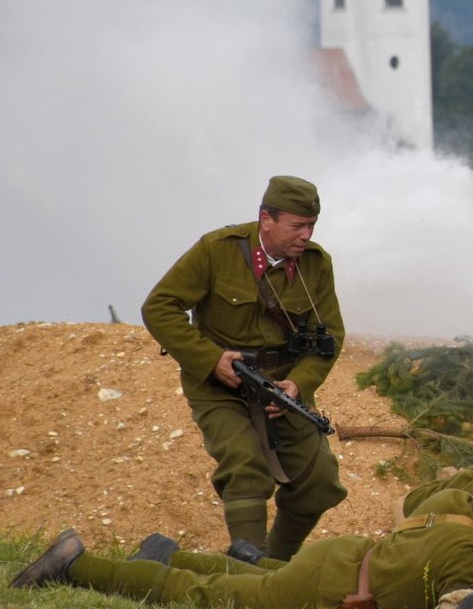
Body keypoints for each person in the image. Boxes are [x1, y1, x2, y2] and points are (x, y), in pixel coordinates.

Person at [10, 475, 473, 609]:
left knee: (241, 581)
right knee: (205, 597)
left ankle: (165, 554)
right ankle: (77, 564)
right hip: (336, 588)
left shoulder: (453, 508)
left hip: (341, 558)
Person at [142, 175, 346, 562]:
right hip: (221, 385)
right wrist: (209, 359)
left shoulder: (316, 265)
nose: (306, 235)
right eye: (297, 225)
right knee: (245, 466)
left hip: (279, 388)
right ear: (266, 219)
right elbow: (159, 307)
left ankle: (273, 565)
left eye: (311, 226)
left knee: (319, 483)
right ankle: (248, 572)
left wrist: (298, 385)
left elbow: (330, 335)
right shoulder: (217, 251)